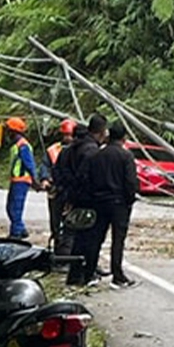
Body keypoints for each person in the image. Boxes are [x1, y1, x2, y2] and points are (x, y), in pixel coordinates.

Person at [93, 124, 141, 289]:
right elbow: (130, 182)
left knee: (97, 237)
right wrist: (130, 199)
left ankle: (90, 270)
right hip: (119, 203)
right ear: (124, 138)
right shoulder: (126, 156)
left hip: (100, 201)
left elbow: (92, 178)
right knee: (118, 239)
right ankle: (117, 275)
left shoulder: (98, 155)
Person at [66, 116, 108, 285]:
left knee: (79, 237)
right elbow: (85, 176)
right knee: (89, 238)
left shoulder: (75, 147)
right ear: (101, 131)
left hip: (76, 197)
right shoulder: (92, 151)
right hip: (88, 200)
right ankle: (84, 273)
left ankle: (76, 273)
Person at [45, 120, 77, 254]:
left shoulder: (78, 150)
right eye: (65, 135)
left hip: (70, 192)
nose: (67, 138)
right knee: (55, 223)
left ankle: (68, 252)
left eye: (69, 135)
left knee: (71, 224)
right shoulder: (53, 150)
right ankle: (58, 249)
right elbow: (45, 166)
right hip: (55, 191)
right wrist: (44, 179)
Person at [4, 117, 36, 239]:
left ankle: (16, 233)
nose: (7, 133)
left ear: (14, 131)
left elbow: (29, 164)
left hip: (21, 181)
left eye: (8, 130)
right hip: (16, 181)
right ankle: (21, 229)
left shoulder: (23, 145)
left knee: (16, 208)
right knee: (10, 207)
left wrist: (35, 180)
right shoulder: (16, 145)